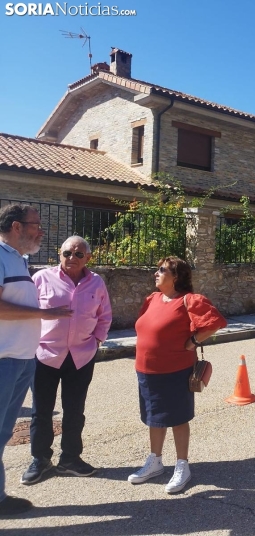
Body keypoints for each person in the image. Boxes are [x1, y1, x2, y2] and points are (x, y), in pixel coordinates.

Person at [128, 256, 226, 494]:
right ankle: (156, 461)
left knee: (178, 418)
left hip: (175, 370)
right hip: (146, 370)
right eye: (157, 269)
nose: (156, 273)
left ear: (176, 277)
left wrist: (193, 341)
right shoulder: (152, 299)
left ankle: (182, 465)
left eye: (162, 270)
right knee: (154, 416)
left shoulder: (189, 300)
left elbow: (214, 322)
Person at [21, 236, 112, 485]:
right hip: (45, 356)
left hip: (81, 356)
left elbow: (105, 315)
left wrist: (97, 341)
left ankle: (70, 459)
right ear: (59, 254)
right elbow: (26, 311)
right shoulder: (41, 278)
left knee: (75, 410)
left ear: (88, 258)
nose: (72, 258)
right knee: (41, 411)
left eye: (78, 254)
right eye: (66, 253)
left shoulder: (96, 283)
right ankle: (41, 460)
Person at [0, 204, 73, 516]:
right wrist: (44, 314)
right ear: (16, 227)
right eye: (35, 224)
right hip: (4, 360)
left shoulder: (18, 259)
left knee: (2, 433)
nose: (41, 230)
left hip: (21, 359)